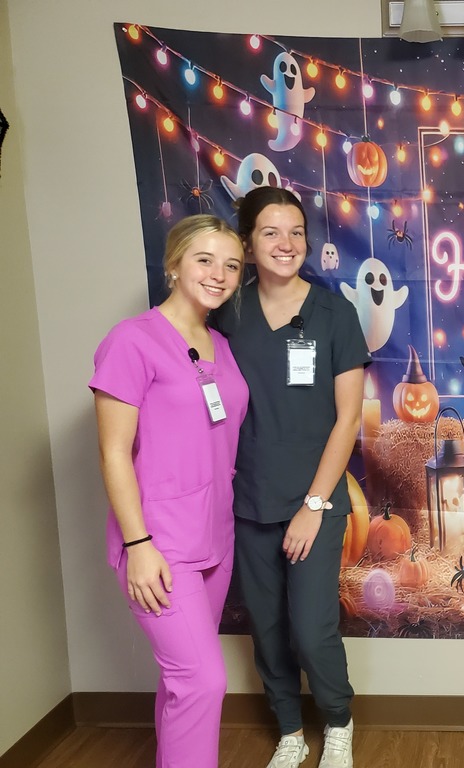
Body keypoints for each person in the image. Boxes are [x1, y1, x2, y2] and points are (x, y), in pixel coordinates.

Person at [212, 186, 370, 768]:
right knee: (269, 627)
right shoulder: (226, 313)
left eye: (297, 231)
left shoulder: (334, 313)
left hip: (316, 500)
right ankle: (287, 729)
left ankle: (337, 722)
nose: (286, 243)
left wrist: (313, 503)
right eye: (271, 232)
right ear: (248, 245)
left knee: (311, 628)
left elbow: (348, 416)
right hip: (248, 498)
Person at [91, 214, 248, 768]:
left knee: (182, 680)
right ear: (175, 264)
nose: (218, 274)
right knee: (202, 681)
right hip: (156, 541)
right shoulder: (131, 341)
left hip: (216, 537)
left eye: (231, 265)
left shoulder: (221, 346)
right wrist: (138, 546)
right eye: (204, 260)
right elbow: (113, 452)